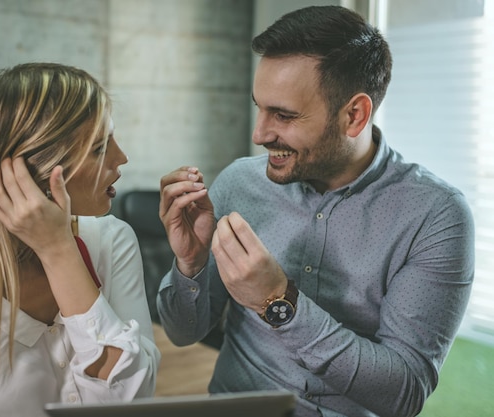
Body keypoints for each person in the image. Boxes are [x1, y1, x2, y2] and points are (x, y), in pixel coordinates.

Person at [156, 5, 474, 417]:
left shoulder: (435, 216)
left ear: (354, 115)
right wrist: (189, 264)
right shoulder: (239, 183)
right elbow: (182, 334)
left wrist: (277, 301)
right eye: (260, 107)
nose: (259, 134)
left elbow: (405, 393)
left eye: (284, 116)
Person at [0, 63, 160, 417]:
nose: (122, 158)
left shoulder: (115, 240)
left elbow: (134, 400)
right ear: (31, 171)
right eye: (99, 148)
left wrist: (59, 252)